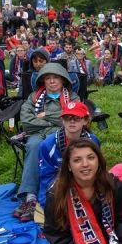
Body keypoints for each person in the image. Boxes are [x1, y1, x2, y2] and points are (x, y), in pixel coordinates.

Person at [15, 62, 80, 221]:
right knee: (34, 144)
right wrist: (57, 118)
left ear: (63, 80)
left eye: (55, 78)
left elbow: (73, 119)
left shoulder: (72, 97)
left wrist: (46, 116)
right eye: (48, 78)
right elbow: (27, 121)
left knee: (50, 143)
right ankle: (30, 197)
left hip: (64, 134)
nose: (51, 81)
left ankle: (57, 192)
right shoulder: (33, 97)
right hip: (37, 134)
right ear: (42, 81)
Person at [37, 101, 100, 208]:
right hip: (59, 182)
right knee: (52, 205)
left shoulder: (93, 141)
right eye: (67, 118)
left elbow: (98, 170)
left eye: (76, 118)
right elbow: (46, 178)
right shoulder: (47, 145)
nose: (72, 121)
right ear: (62, 120)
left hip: (86, 181)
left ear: (85, 120)